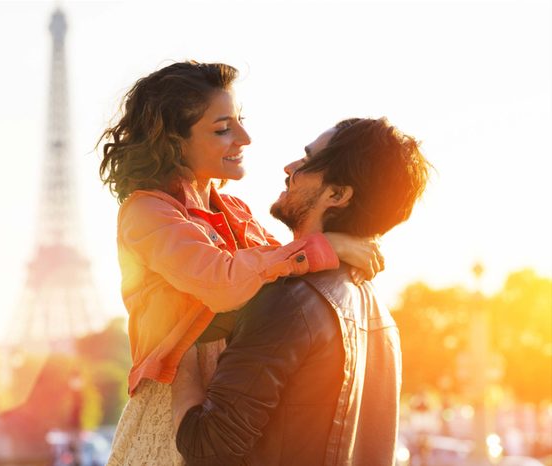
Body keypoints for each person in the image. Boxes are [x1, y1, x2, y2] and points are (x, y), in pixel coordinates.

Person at [99, 62, 383, 465]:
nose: (245, 138)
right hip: (174, 415)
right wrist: (328, 244)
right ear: (176, 143)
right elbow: (225, 283)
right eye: (223, 129)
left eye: (240, 121)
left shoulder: (234, 210)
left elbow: (281, 275)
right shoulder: (147, 213)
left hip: (228, 406)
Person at [173, 117, 431, 466]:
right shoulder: (382, 319)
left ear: (337, 194)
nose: (290, 167)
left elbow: (207, 447)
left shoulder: (289, 300)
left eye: (307, 162)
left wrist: (180, 355)